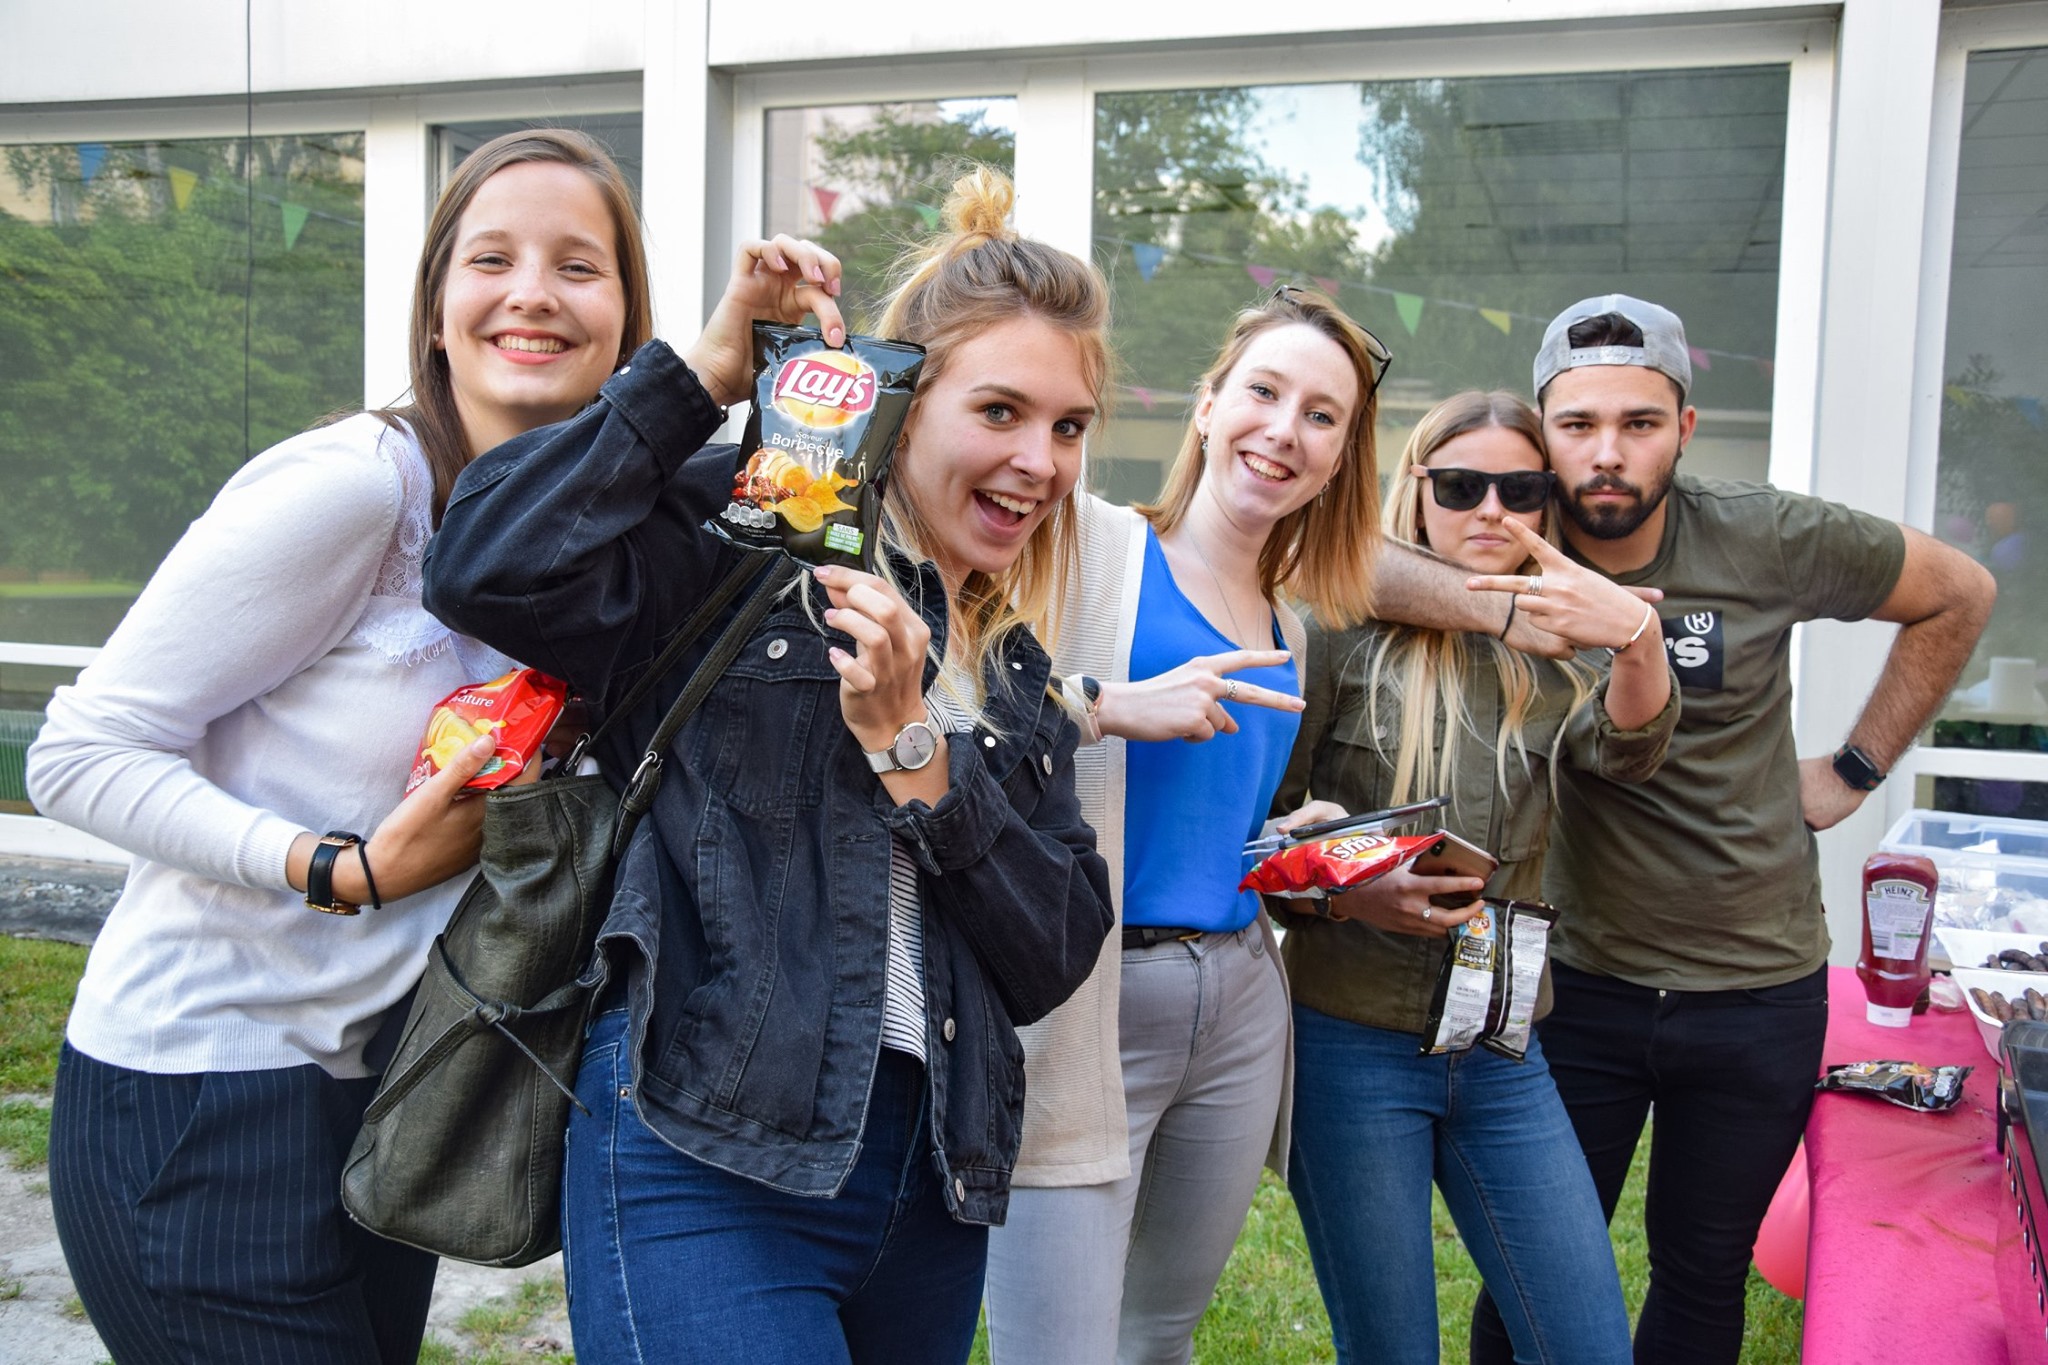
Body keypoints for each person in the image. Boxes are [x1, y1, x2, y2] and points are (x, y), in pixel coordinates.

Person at [421, 169, 1116, 1365]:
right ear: (904, 401)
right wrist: (702, 376)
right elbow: (486, 563)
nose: (1039, 463)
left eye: (1066, 428)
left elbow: (1050, 948)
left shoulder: (1009, 664)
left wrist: (915, 748)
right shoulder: (741, 551)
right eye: (998, 413)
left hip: (928, 1184)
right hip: (705, 1147)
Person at [26, 128, 651, 1362]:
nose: (531, 291)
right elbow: (81, 750)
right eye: (492, 258)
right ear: (434, 310)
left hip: (392, 1096)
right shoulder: (360, 489)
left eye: (579, 266)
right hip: (203, 1091)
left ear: (628, 323)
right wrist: (338, 867)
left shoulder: (597, 543)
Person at [1465, 295, 1996, 1365]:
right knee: (1528, 1265)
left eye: (1639, 423)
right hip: (1578, 982)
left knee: (1700, 1270)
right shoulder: (1496, 543)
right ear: (1541, 428)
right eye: (1576, 426)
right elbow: (1363, 574)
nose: (1605, 455)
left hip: (1754, 989)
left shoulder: (1764, 534)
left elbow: (1959, 592)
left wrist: (1854, 768)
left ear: (1684, 428)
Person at [983, 284, 1383, 1365]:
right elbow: (965, 702)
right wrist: (1107, 705)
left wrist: (1288, 840)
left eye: (1319, 416)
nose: (1282, 431)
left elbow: (1199, 828)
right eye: (1262, 391)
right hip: (1086, 1000)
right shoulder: (1089, 547)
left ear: (1339, 458)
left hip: (1239, 1000)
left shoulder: (1288, 630)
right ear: (1207, 406)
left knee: (1156, 1335)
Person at [1274, 389, 1676, 1365]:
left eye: (1519, 488)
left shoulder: (1553, 644)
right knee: (1390, 1348)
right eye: (1459, 486)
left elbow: (1625, 754)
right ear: (1416, 492)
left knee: (1586, 1345)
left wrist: (1637, 639)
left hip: (1502, 1048)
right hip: (1349, 1045)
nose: (1490, 510)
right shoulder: (1332, 629)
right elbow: (1264, 839)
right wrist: (1347, 882)